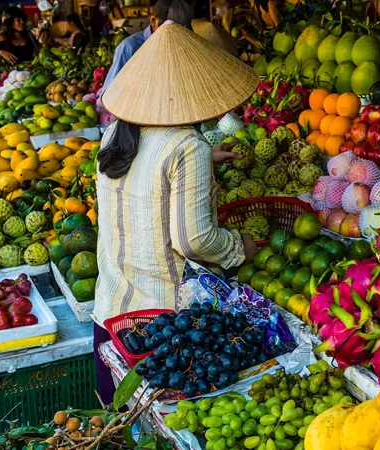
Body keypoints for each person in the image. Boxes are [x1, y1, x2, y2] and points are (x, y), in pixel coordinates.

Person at [94, 22, 259, 404]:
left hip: (112, 315)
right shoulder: (188, 145)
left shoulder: (115, 133)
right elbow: (195, 239)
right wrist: (239, 247)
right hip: (165, 329)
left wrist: (201, 161)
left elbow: (147, 180)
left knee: (116, 426)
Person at [100, 0, 194, 92]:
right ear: (154, 22)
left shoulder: (185, 46)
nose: (177, 40)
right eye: (172, 33)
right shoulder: (130, 48)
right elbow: (108, 93)